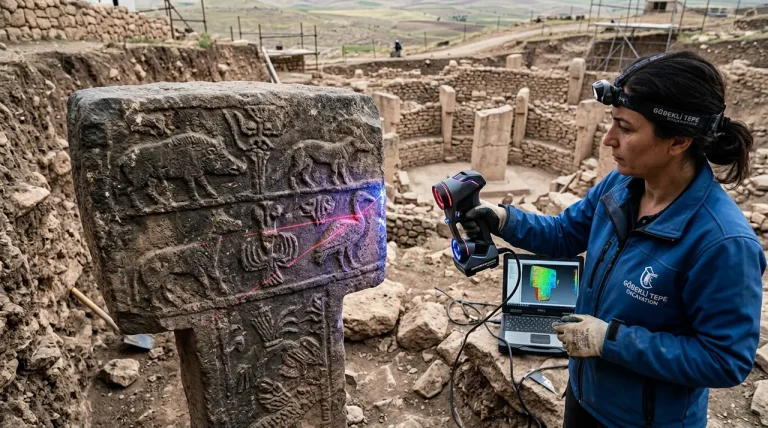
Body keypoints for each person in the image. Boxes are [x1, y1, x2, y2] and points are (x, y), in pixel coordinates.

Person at [462, 50, 766, 427]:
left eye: (625, 127)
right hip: (585, 395)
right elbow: (563, 234)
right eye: (611, 123)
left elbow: (725, 360)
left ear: (678, 141)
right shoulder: (621, 185)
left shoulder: (723, 243)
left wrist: (609, 340)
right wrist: (505, 219)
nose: (608, 140)